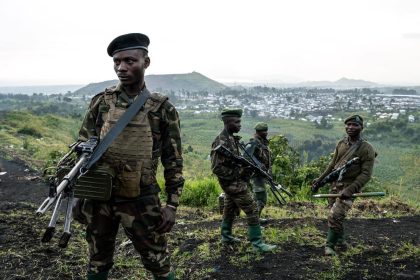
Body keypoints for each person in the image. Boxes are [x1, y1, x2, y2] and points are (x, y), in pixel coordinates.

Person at [74, 33, 184, 280]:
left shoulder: (161, 108)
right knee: (97, 261)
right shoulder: (101, 103)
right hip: (99, 198)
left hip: (141, 199)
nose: (121, 68)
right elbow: (83, 151)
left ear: (146, 62)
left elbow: (173, 160)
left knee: (158, 262)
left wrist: (172, 206)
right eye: (117, 62)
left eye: (130, 61)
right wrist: (79, 196)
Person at [210, 109, 276, 252]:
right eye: (237, 122)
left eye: (240, 121)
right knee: (252, 209)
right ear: (227, 122)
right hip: (234, 184)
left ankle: (226, 236)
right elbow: (216, 168)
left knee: (230, 209)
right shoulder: (221, 141)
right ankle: (257, 244)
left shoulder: (231, 139)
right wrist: (239, 172)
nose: (240, 125)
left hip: (233, 183)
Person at [312, 115, 376, 256]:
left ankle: (330, 246)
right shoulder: (341, 144)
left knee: (335, 215)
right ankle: (340, 240)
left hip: (350, 188)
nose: (351, 127)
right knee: (333, 213)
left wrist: (350, 189)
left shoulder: (366, 148)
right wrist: (320, 180)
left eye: (355, 125)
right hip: (336, 186)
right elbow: (332, 165)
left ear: (361, 128)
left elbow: (366, 174)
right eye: (348, 124)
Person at [245, 122, 272, 224]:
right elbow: (246, 157)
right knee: (261, 198)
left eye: (266, 131)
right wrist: (258, 165)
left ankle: (256, 218)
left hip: (261, 175)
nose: (266, 133)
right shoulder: (254, 143)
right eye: (263, 131)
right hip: (255, 175)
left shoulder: (263, 143)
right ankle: (254, 220)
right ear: (258, 132)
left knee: (259, 198)